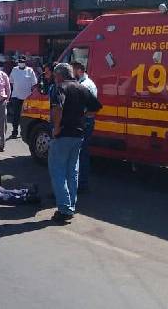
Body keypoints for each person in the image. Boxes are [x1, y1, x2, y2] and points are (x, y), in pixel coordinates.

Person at [48, 63, 101, 224]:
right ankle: (70, 205)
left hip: (63, 133)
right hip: (78, 134)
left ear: (59, 75)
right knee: (72, 172)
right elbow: (95, 107)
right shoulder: (82, 88)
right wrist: (83, 116)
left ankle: (64, 208)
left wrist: (56, 128)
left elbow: (57, 109)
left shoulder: (60, 88)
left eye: (55, 76)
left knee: (58, 171)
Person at [71, 61, 98, 193]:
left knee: (80, 154)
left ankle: (81, 184)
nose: (71, 73)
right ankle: (82, 183)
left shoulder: (84, 85)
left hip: (84, 121)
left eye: (73, 70)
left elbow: (86, 107)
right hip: (87, 121)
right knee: (83, 152)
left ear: (79, 70)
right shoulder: (88, 83)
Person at [8, 56, 38, 139]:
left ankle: (24, 132)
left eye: (23, 61)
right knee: (16, 115)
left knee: (25, 116)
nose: (21, 62)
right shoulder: (14, 70)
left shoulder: (30, 70)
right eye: (20, 61)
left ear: (25, 62)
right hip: (16, 97)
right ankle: (14, 131)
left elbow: (34, 83)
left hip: (27, 98)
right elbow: (11, 81)